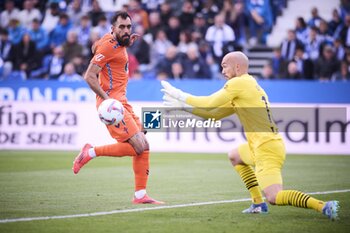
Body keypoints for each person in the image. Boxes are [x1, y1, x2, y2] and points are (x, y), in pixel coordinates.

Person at [161, 51, 339, 220]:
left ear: (238, 67)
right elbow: (213, 114)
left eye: (225, 66)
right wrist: (183, 107)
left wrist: (180, 95)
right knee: (235, 156)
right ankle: (257, 205)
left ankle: (323, 205)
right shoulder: (246, 85)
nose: (222, 71)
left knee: (275, 196)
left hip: (266, 148)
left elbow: (209, 103)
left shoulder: (239, 83)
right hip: (262, 145)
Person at [72, 11, 163, 205]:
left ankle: (140, 195)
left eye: (128, 27)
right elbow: (89, 76)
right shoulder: (108, 45)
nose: (126, 30)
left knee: (143, 141)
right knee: (140, 145)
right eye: (121, 27)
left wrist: (125, 42)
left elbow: (94, 47)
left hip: (122, 100)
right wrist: (107, 102)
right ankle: (90, 152)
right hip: (112, 104)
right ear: (112, 29)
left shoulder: (112, 42)